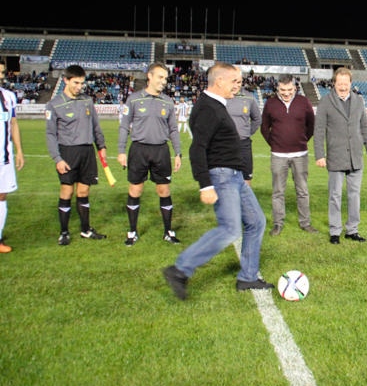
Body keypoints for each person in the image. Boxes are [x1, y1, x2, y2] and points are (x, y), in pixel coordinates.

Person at [163, 63, 273, 300]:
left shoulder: (215, 105)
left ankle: (248, 277)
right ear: (219, 81)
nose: (238, 85)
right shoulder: (208, 109)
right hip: (222, 176)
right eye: (234, 81)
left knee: (256, 221)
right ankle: (180, 269)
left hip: (234, 176)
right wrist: (205, 184)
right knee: (230, 228)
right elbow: (197, 148)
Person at [118, 62, 182, 246]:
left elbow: (173, 130)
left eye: (165, 78)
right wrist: (121, 151)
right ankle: (132, 232)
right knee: (135, 190)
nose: (164, 81)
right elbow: (124, 126)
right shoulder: (134, 99)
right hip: (138, 150)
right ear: (150, 76)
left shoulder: (168, 101)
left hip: (161, 150)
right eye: (160, 77)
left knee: (164, 190)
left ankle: (168, 232)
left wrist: (177, 153)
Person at [45, 65, 107, 245]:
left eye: (82, 83)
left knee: (84, 190)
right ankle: (64, 232)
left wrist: (101, 145)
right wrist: (57, 159)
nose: (79, 87)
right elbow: (50, 134)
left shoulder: (87, 101)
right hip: (67, 152)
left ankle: (86, 230)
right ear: (66, 80)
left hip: (87, 151)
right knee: (67, 191)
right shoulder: (54, 104)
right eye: (76, 83)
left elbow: (96, 126)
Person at [314, 67, 367, 244]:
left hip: (356, 156)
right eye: (339, 83)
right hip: (335, 156)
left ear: (351, 83)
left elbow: (364, 126)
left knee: (354, 195)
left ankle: (352, 230)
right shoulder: (325, 102)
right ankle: (335, 231)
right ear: (334, 83)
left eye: (346, 83)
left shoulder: (359, 100)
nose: (343, 86)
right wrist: (320, 154)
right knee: (335, 195)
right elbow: (319, 131)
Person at [260, 74, 318, 235]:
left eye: (289, 89)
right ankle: (278, 223)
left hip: (300, 154)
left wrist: (302, 140)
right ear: (277, 88)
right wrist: (275, 144)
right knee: (278, 191)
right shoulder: (270, 104)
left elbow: (311, 125)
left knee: (302, 191)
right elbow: (264, 128)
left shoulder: (304, 102)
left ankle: (305, 223)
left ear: (295, 88)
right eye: (282, 90)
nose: (286, 93)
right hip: (278, 155)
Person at [0, 61, 24, 253]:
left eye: (2, 72)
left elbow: (13, 124)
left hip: (5, 158)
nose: (2, 76)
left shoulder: (8, 96)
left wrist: (19, 150)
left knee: (2, 196)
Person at [227, 70, 262, 188]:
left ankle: (245, 204)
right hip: (224, 145)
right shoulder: (220, 97)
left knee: (246, 178)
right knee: (225, 178)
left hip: (244, 144)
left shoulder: (249, 98)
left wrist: (246, 132)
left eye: (239, 82)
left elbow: (257, 120)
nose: (236, 85)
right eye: (233, 82)